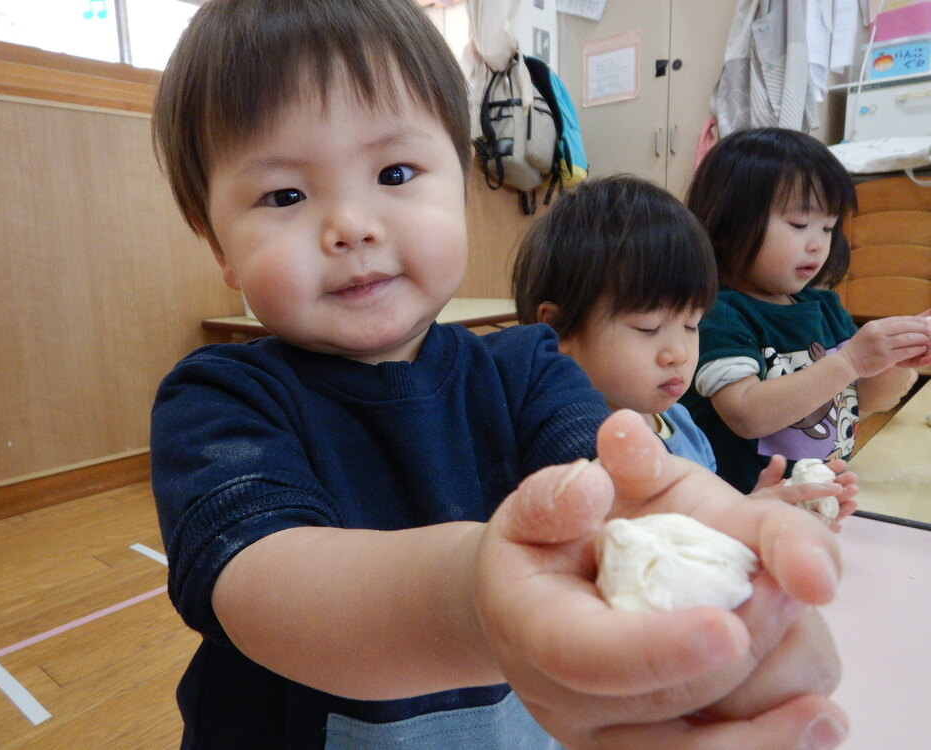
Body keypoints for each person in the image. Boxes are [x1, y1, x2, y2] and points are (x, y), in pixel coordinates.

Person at [150, 3, 848, 748]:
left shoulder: (528, 368)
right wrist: (480, 597)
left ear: (457, 182)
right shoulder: (219, 400)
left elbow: (612, 486)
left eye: (394, 172)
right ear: (217, 242)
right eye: (284, 195)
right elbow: (264, 585)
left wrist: (700, 545)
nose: (351, 224)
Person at [513, 175, 858, 526]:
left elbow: (700, 525)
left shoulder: (678, 420)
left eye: (692, 325)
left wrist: (762, 505)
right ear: (558, 330)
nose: (678, 353)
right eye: (648, 328)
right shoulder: (575, 447)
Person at [683, 128, 931, 493]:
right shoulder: (718, 313)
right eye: (799, 225)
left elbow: (866, 402)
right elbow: (747, 414)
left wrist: (895, 356)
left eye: (828, 227)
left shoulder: (822, 306)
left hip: (819, 492)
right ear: (726, 223)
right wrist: (850, 361)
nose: (817, 245)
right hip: (741, 505)